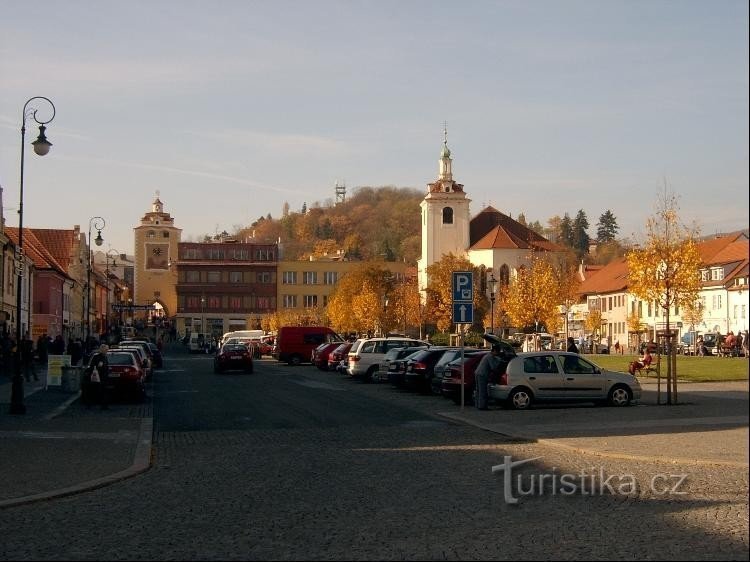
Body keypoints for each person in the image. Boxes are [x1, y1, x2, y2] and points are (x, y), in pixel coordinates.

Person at [474, 344, 504, 410]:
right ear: (495, 351)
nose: (498, 353)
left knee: (478, 390)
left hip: (477, 373)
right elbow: (493, 367)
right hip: (482, 374)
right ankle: (482, 407)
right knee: (483, 391)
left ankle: (477, 405)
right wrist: (499, 362)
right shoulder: (490, 357)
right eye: (498, 352)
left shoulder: (487, 355)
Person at [86, 344, 110, 410]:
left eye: (107, 350)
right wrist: (98, 367)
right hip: (98, 377)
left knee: (103, 391)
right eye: (105, 350)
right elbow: (93, 366)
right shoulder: (97, 357)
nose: (106, 351)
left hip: (103, 377)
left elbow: (106, 366)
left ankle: (104, 405)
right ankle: (90, 404)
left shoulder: (105, 356)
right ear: (102, 350)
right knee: (95, 391)